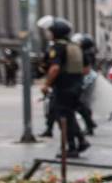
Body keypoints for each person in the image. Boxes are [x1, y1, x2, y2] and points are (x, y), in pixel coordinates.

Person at [37, 16, 90, 157]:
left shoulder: (58, 47)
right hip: (76, 87)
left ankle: (71, 148)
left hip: (63, 88)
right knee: (70, 115)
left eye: (50, 31)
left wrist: (46, 84)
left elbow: (54, 68)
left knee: (63, 119)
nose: (48, 33)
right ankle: (81, 141)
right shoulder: (76, 46)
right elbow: (86, 70)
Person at [74, 34, 98, 137]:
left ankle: (90, 125)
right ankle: (90, 125)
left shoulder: (85, 53)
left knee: (82, 103)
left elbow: (85, 68)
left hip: (86, 79)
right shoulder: (89, 52)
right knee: (84, 103)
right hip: (89, 78)